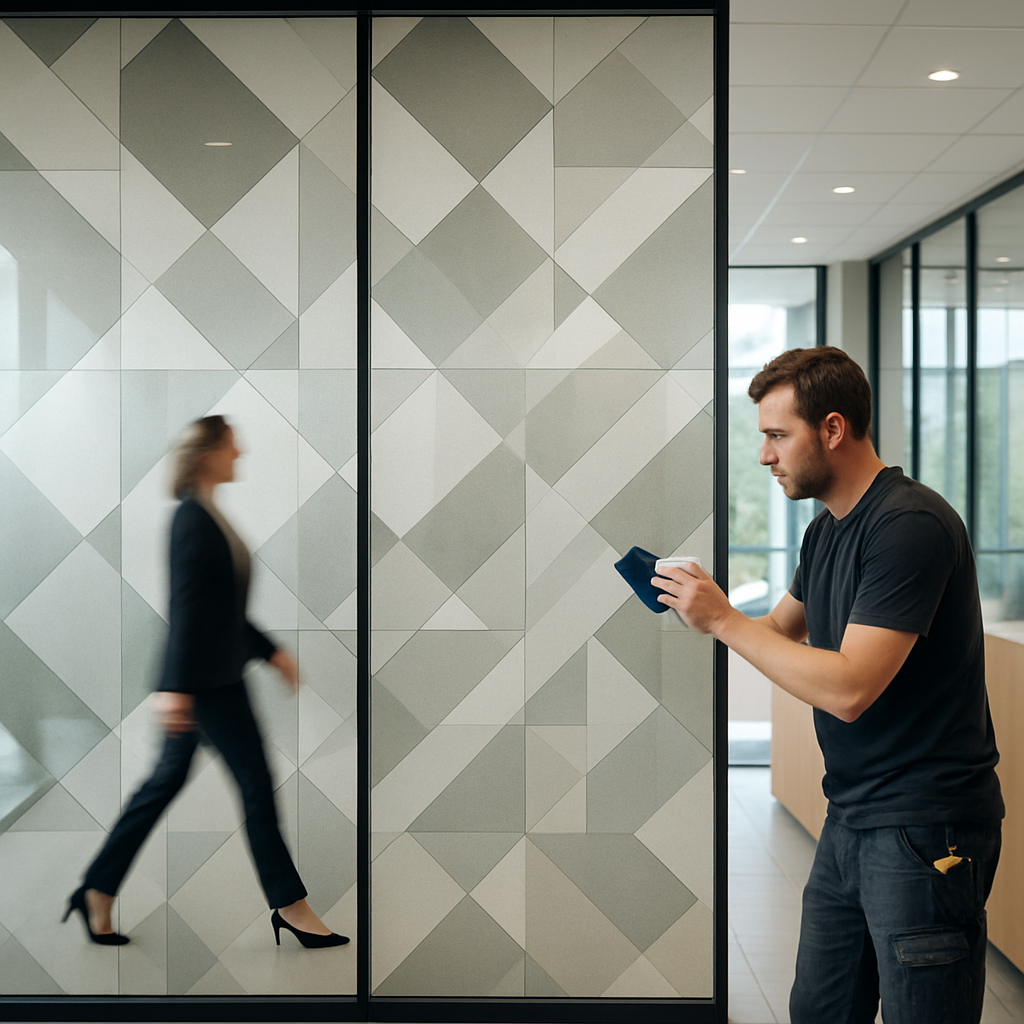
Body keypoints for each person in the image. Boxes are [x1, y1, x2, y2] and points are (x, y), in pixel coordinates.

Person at [653, 347, 1002, 1023]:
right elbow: (779, 633)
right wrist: (703, 605)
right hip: (851, 816)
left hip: (925, 825)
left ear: (834, 429)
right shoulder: (826, 531)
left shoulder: (911, 526)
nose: (764, 457)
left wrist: (724, 619)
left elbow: (849, 689)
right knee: (819, 1010)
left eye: (777, 436)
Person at [64, 415, 348, 950]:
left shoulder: (209, 515)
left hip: (214, 677)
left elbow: (222, 610)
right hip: (206, 685)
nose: (240, 454)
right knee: (255, 786)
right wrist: (175, 688)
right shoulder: (191, 519)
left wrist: (271, 652)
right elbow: (188, 608)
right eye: (232, 446)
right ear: (208, 454)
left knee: (164, 784)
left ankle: (97, 889)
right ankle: (292, 908)